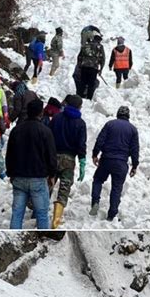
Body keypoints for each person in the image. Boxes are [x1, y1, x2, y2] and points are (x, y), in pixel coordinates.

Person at [5, 98, 57, 230]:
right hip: (38, 178)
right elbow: (51, 156)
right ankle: (43, 234)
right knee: (42, 214)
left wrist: (10, 173)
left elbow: (9, 154)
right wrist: (52, 174)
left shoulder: (16, 130)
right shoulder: (46, 131)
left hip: (19, 177)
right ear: (40, 113)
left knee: (17, 214)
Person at [90, 106, 139, 222]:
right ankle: (111, 214)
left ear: (117, 114)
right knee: (116, 188)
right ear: (128, 116)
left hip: (106, 159)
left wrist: (95, 154)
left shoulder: (110, 124)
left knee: (98, 180)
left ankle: (95, 202)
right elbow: (135, 149)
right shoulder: (133, 130)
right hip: (121, 163)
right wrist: (135, 165)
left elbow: (100, 140)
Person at [49, 94, 87, 228]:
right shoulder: (81, 123)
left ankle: (38, 211)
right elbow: (81, 145)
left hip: (53, 157)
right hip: (69, 160)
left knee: (48, 184)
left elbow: (48, 135)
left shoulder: (57, 117)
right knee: (64, 188)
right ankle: (56, 220)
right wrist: (82, 161)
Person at [77, 33, 106, 100]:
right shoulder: (100, 46)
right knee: (91, 84)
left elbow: (79, 56)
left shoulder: (86, 45)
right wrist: (101, 69)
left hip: (84, 67)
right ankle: (89, 98)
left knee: (83, 82)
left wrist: (79, 65)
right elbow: (103, 59)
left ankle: (80, 96)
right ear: (99, 40)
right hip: (93, 68)